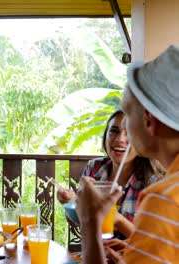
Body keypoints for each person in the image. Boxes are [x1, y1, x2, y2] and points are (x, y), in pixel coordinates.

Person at [76, 45, 179, 263]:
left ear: (149, 120)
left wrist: (89, 223)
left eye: (128, 113)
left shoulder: (164, 199)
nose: (122, 137)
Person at [57, 110, 163, 238]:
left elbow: (152, 243)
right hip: (96, 254)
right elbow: (80, 222)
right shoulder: (94, 168)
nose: (120, 139)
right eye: (114, 131)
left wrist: (117, 220)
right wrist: (70, 204)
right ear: (106, 135)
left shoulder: (155, 182)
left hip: (131, 257)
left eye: (129, 133)